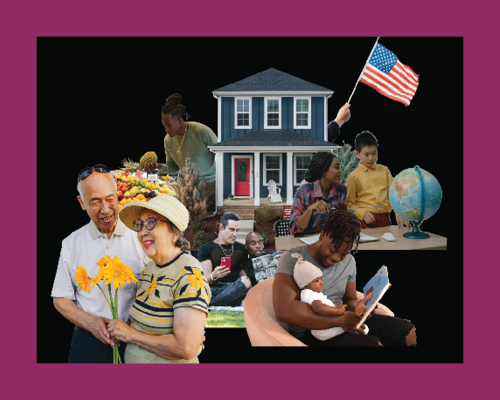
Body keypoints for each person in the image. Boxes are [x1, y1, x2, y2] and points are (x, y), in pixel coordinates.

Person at [273, 203, 416, 346]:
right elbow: (283, 310)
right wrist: (340, 321)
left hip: (343, 319)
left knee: (408, 331)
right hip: (312, 332)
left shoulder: (349, 262)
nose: (336, 258)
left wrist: (360, 307)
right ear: (322, 235)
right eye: (333, 249)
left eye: (344, 253)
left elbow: (349, 300)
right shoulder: (293, 258)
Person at [51, 165, 149, 363]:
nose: (105, 209)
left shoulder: (143, 237)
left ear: (117, 195)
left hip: (138, 343)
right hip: (88, 344)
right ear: (81, 203)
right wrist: (91, 323)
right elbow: (60, 298)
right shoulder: (71, 243)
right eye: (95, 202)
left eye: (110, 198)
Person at [107, 195, 211, 363]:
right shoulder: (150, 267)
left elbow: (185, 348)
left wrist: (130, 334)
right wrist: (120, 327)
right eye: (139, 225)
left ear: (174, 233)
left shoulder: (189, 274)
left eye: (151, 222)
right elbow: (147, 322)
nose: (142, 232)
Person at [292, 252, 368, 341]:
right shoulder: (308, 294)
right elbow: (318, 307)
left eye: (321, 279)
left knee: (352, 323)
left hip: (326, 325)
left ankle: (357, 328)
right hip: (322, 330)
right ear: (304, 285)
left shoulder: (313, 292)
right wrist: (337, 311)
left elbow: (323, 305)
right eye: (316, 281)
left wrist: (333, 307)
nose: (321, 283)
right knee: (352, 325)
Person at [346, 130, 412, 229]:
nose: (371, 158)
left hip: (384, 219)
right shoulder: (353, 176)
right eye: (366, 154)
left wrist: (399, 214)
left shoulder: (384, 171)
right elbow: (350, 204)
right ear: (357, 154)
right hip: (364, 220)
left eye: (374, 153)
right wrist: (362, 213)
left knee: (386, 243)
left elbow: (394, 195)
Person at [198, 212, 251, 306]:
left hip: (234, 288)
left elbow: (244, 277)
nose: (235, 234)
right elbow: (204, 280)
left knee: (245, 281)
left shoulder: (241, 249)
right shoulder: (207, 248)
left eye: (237, 230)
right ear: (221, 227)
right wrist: (214, 275)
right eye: (231, 230)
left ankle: (212, 304)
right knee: (200, 290)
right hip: (214, 289)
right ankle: (226, 301)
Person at [289, 152, 346, 236]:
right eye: (336, 167)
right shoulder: (304, 192)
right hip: (305, 243)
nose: (340, 171)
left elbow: (345, 221)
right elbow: (294, 229)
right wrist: (309, 211)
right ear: (323, 170)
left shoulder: (341, 190)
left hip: (332, 241)